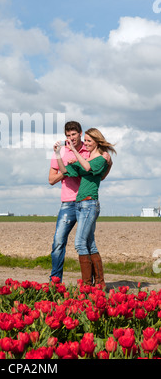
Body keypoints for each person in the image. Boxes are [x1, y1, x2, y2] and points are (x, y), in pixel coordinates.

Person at [49, 121, 112, 283]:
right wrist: (60, 155)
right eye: (67, 136)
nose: (71, 138)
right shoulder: (66, 151)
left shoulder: (90, 152)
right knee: (60, 241)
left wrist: (108, 162)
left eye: (74, 135)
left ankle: (91, 284)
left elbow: (97, 171)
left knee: (83, 243)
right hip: (70, 202)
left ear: (80, 134)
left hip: (87, 202)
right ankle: (56, 281)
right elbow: (55, 177)